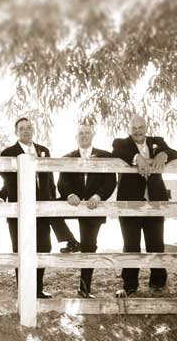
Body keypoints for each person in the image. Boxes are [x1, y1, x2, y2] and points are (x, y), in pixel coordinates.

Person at [112, 115, 177, 298]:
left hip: (155, 202)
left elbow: (174, 153)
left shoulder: (157, 141)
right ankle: (130, 285)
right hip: (130, 203)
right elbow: (117, 152)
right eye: (134, 127)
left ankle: (158, 283)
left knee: (156, 243)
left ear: (146, 127)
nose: (137, 131)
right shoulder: (121, 143)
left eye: (141, 127)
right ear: (129, 128)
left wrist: (163, 154)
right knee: (131, 244)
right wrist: (137, 157)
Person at [57, 123, 116, 298]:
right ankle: (70, 240)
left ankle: (84, 289)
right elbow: (62, 182)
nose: (84, 135)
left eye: (87, 133)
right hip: (72, 202)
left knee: (89, 246)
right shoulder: (67, 157)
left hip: (93, 205)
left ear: (93, 135)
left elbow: (110, 181)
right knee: (50, 210)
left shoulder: (105, 156)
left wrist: (99, 196)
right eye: (80, 133)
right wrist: (69, 194)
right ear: (76, 136)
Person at [0, 117, 54, 298]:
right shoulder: (8, 152)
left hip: (43, 209)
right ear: (16, 132)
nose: (26, 131)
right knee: (21, 249)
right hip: (19, 210)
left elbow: (50, 181)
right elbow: (9, 183)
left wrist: (50, 201)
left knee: (44, 247)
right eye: (22, 128)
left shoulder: (44, 151)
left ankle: (37, 289)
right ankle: (24, 290)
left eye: (29, 127)